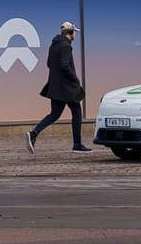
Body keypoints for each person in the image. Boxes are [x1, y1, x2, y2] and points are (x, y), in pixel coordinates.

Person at [26, 21, 92, 154]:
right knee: (77, 112)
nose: (75, 35)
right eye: (74, 33)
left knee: (54, 114)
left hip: (56, 86)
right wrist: (74, 79)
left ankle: (33, 133)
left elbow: (49, 63)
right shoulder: (66, 45)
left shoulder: (54, 44)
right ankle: (77, 145)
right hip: (67, 88)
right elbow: (64, 65)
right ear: (71, 32)